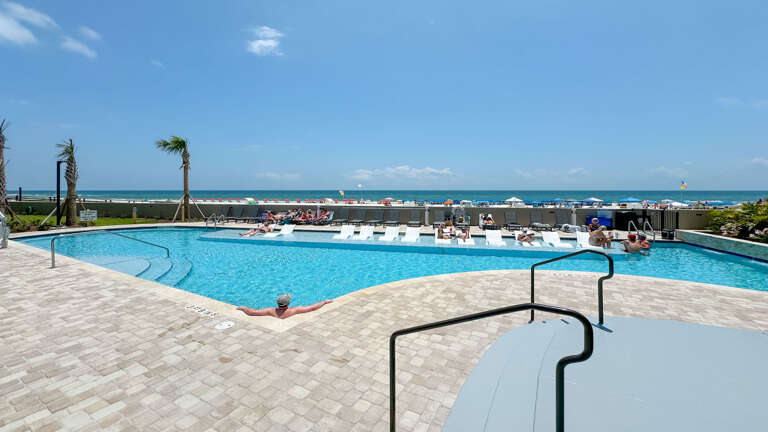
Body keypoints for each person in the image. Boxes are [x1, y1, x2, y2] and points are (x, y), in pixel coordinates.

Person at [237, 294, 333, 319]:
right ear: (288, 304)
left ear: (277, 303)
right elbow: (313, 307)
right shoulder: (295, 310)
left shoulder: (270, 311)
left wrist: (243, 308)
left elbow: (252, 312)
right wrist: (324, 301)